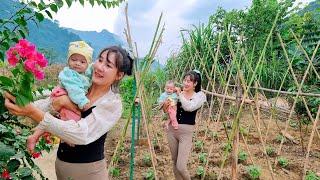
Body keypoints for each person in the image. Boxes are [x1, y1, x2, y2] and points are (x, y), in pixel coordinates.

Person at [4, 46, 133, 180]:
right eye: (100, 60)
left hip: (89, 174)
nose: (99, 67)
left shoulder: (112, 104)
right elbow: (49, 103)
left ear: (119, 75)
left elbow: (80, 134)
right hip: (61, 167)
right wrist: (18, 102)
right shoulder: (81, 85)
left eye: (108, 65)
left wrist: (31, 111)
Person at [27, 40, 94, 152]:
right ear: (68, 60)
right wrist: (83, 102)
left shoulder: (83, 73)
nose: (77, 63)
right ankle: (67, 137)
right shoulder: (69, 74)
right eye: (74, 59)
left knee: (51, 119)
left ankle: (34, 137)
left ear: (87, 65)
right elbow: (74, 90)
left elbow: (90, 71)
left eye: (82, 62)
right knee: (73, 118)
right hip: (66, 95)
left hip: (68, 96)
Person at [163, 70, 206, 180]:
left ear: (195, 84)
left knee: (181, 166)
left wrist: (180, 95)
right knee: (174, 161)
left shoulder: (199, 96)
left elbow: (189, 107)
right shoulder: (177, 93)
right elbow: (166, 110)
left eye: (189, 81)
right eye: (185, 80)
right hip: (172, 130)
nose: (186, 83)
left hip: (186, 133)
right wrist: (165, 105)